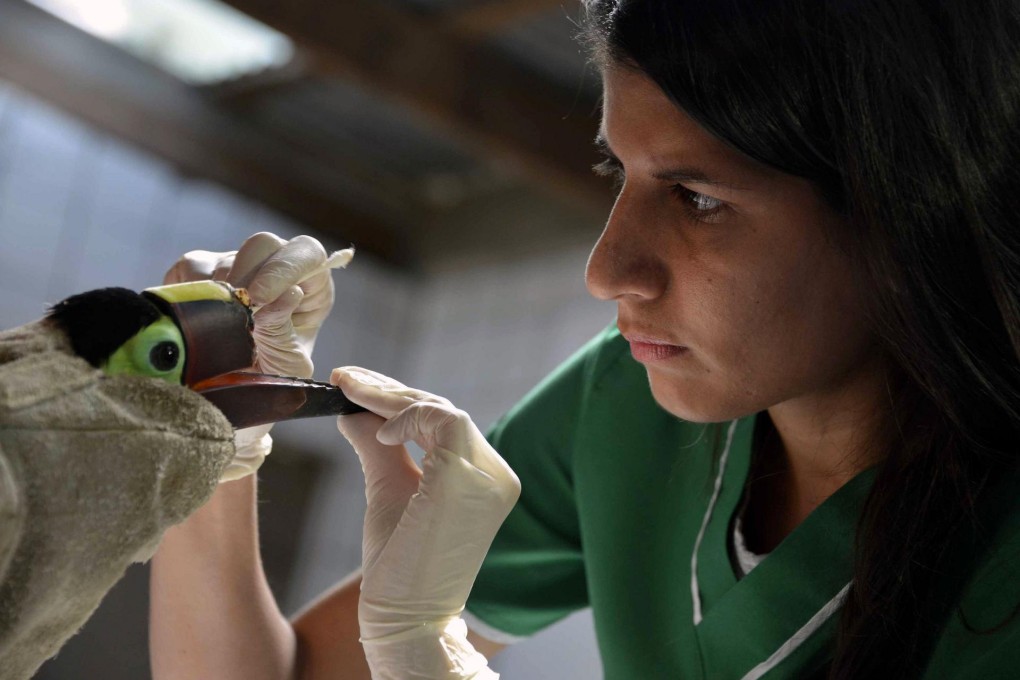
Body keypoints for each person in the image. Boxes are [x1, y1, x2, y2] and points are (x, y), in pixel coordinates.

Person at [150, 0, 1020, 678]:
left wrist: (429, 661)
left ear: (907, 210)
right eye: (618, 171)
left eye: (699, 198)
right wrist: (216, 431)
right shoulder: (626, 406)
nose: (607, 270)